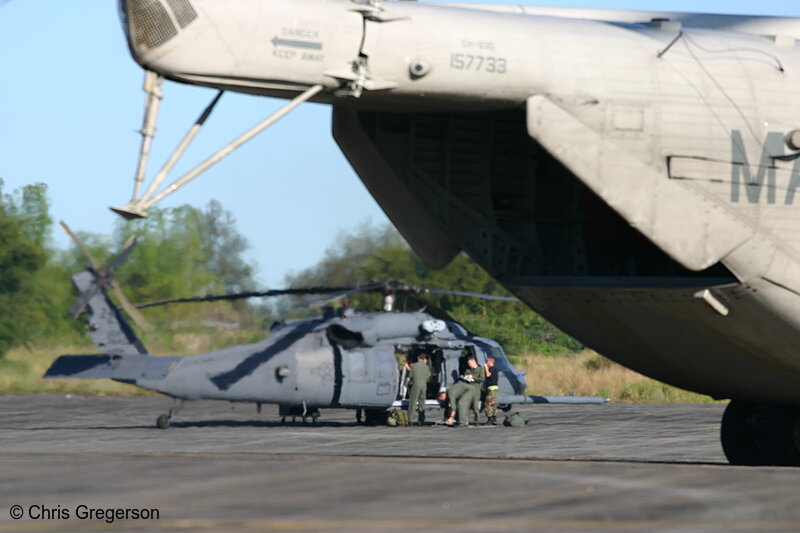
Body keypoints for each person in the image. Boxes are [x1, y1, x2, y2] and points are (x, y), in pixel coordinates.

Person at [445, 355, 485, 426]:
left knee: (475, 405)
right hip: (467, 388)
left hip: (476, 388)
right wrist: (466, 378)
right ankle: (465, 420)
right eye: (468, 363)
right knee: (466, 405)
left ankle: (477, 420)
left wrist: (473, 377)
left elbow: (482, 379)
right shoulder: (468, 370)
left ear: (474, 361)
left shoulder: (480, 369)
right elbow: (465, 378)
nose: (469, 364)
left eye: (470, 363)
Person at [406, 353, 431, 425]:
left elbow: (411, 375)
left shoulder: (414, 366)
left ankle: (409, 419)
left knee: (413, 402)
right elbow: (428, 377)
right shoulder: (426, 367)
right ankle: (421, 419)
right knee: (422, 402)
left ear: (418, 358)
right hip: (424, 385)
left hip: (416, 384)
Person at [483, 356, 499, 425]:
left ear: (490, 362)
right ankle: (494, 419)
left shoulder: (492, 369)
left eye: (487, 361)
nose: (486, 363)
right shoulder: (494, 369)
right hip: (493, 388)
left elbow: (488, 375)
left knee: (487, 404)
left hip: (492, 389)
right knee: (493, 404)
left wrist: (486, 367)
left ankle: (490, 418)